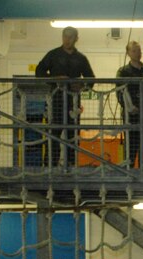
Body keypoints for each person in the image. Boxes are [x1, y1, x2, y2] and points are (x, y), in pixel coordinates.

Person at [35, 26, 96, 168]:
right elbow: (39, 71)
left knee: (72, 135)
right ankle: (50, 165)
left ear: (76, 39)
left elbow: (91, 79)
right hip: (55, 101)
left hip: (72, 103)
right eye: (65, 36)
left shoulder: (81, 58)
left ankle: (70, 165)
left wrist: (82, 85)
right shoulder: (53, 55)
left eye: (70, 37)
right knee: (53, 135)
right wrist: (54, 78)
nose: (67, 40)